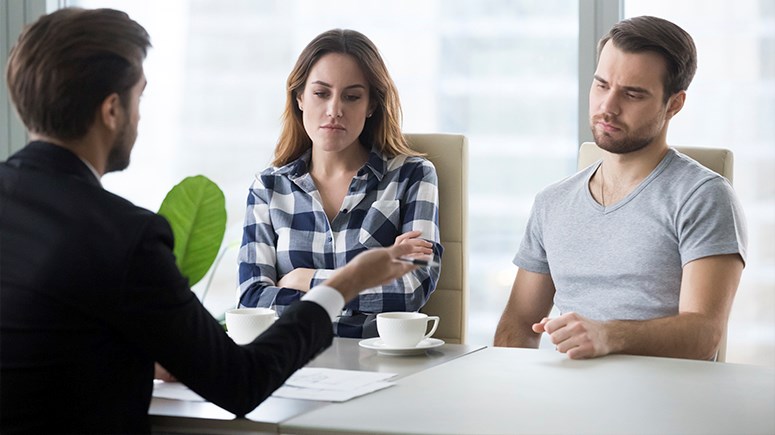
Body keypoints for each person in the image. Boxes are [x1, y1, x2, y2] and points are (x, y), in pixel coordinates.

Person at [0, 8, 418, 433]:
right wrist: (343, 284)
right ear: (112, 110)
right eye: (139, 97)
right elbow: (240, 381)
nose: (141, 116)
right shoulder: (126, 237)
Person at [494, 16, 747, 361]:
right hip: (560, 400)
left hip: (658, 403)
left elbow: (703, 335)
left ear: (674, 104)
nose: (607, 108)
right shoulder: (552, 202)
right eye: (601, 85)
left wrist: (608, 334)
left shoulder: (702, 196)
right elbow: (519, 324)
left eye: (632, 94)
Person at [238, 29, 443, 338]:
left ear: (371, 105)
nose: (335, 110)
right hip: (292, 364)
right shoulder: (268, 188)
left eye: (352, 96)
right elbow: (253, 300)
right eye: (321, 93)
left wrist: (302, 279)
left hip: (380, 364)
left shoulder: (412, 175)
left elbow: (410, 291)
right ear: (300, 98)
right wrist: (364, 280)